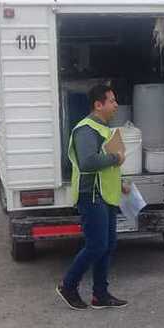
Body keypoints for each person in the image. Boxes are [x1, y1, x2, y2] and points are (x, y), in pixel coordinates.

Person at [56, 84, 129, 310]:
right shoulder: (85, 129)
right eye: (112, 101)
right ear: (98, 105)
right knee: (96, 245)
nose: (116, 105)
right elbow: (87, 162)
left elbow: (105, 162)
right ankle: (68, 286)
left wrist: (120, 182)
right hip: (92, 195)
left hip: (106, 195)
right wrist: (115, 159)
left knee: (108, 246)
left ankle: (100, 295)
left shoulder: (105, 129)